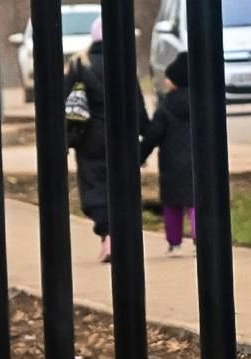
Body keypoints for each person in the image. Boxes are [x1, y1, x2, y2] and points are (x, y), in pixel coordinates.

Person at [64, 18, 149, 263]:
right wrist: (145, 129)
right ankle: (119, 235)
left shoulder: (80, 63)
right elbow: (136, 102)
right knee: (120, 185)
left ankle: (107, 235)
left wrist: (66, 136)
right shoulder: (122, 63)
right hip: (122, 137)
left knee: (94, 186)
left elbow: (65, 99)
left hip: (89, 136)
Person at [140, 52, 195, 254]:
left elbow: (153, 134)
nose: (166, 81)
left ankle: (174, 242)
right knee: (197, 202)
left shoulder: (167, 105)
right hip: (199, 162)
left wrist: (139, 156)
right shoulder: (203, 102)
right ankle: (201, 238)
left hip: (171, 165)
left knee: (172, 205)